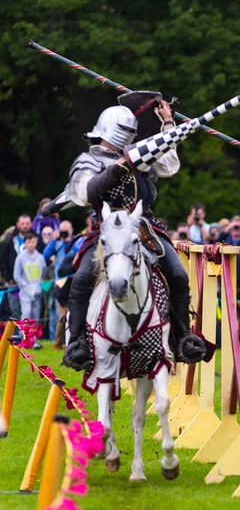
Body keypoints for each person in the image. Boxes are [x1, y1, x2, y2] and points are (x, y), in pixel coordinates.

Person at [46, 97, 209, 370]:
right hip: (105, 230)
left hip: (144, 227)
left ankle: (183, 338)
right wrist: (119, 167)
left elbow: (168, 165)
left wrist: (168, 123)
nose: (131, 137)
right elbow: (85, 193)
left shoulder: (139, 158)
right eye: (128, 132)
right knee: (83, 278)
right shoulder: (88, 160)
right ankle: (77, 343)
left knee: (178, 274)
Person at [13, 232, 46, 348]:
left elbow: (44, 274)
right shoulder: (20, 258)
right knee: (26, 315)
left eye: (33, 242)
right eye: (28, 242)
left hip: (37, 292)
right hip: (25, 293)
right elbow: (16, 275)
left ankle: (34, 341)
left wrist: (41, 286)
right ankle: (24, 338)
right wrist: (24, 284)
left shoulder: (41, 258)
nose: (31, 244)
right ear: (25, 243)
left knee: (35, 317)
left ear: (36, 243)